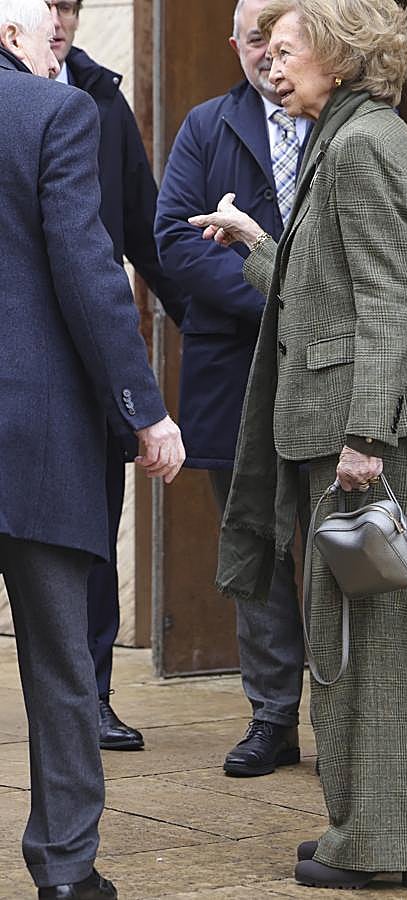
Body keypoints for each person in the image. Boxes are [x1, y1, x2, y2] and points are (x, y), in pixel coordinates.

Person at [190, 0, 407, 888]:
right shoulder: (352, 136)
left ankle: (380, 844)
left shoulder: (361, 146)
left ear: (342, 52)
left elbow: (389, 301)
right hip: (354, 419)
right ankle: (364, 825)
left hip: (360, 429)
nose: (271, 67)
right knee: (349, 637)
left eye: (287, 50)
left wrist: (362, 437)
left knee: (364, 642)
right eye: (264, 53)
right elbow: (331, 291)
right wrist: (255, 243)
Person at [0, 0, 185, 896]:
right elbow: (88, 269)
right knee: (61, 664)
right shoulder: (56, 113)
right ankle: (66, 872)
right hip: (36, 441)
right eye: (47, 35)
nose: (57, 51)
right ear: (10, 36)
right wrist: (146, 412)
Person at [155, 0, 311, 778]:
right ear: (236, 45)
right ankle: (272, 717)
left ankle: (347, 713)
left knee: (335, 539)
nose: (267, 55)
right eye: (255, 39)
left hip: (327, 366)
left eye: (281, 40)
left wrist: (307, 307)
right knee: (253, 541)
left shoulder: (343, 122)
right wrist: (278, 293)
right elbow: (174, 240)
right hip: (234, 366)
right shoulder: (206, 126)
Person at [47, 0, 187, 752]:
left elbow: (142, 224)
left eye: (70, 5)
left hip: (94, 364)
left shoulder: (101, 96)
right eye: (49, 5)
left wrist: (201, 323)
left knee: (95, 537)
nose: (62, 19)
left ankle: (93, 697)